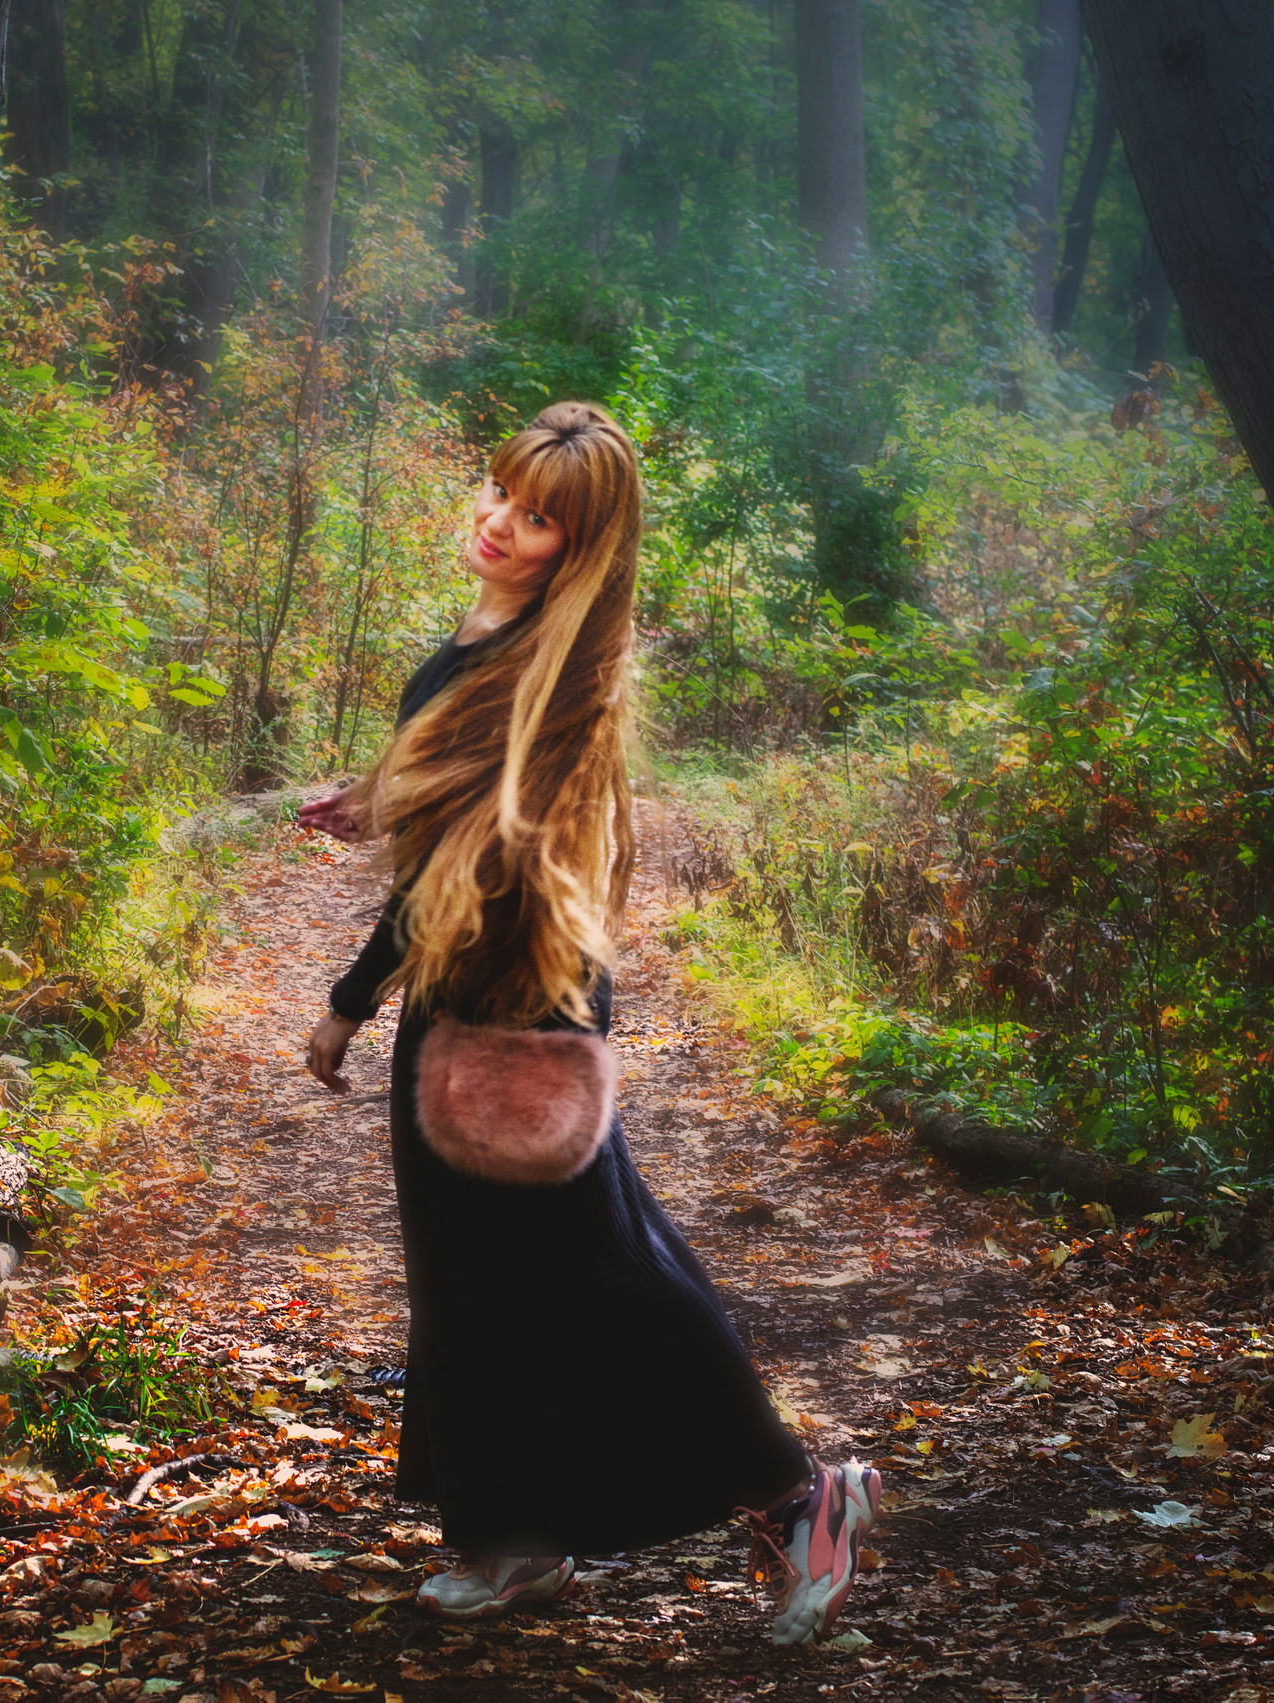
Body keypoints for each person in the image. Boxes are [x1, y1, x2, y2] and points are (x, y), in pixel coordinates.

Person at [296, 401, 878, 1639]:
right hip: (467, 989)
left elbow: (472, 857)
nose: (500, 522)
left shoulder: (546, 667)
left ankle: (798, 1498)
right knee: (471, 1274)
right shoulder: (490, 635)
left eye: (538, 517)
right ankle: (512, 1539)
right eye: (501, 493)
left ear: (581, 546)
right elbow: (446, 820)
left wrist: (352, 995)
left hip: (516, 998)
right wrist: (386, 797)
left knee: (591, 1259)